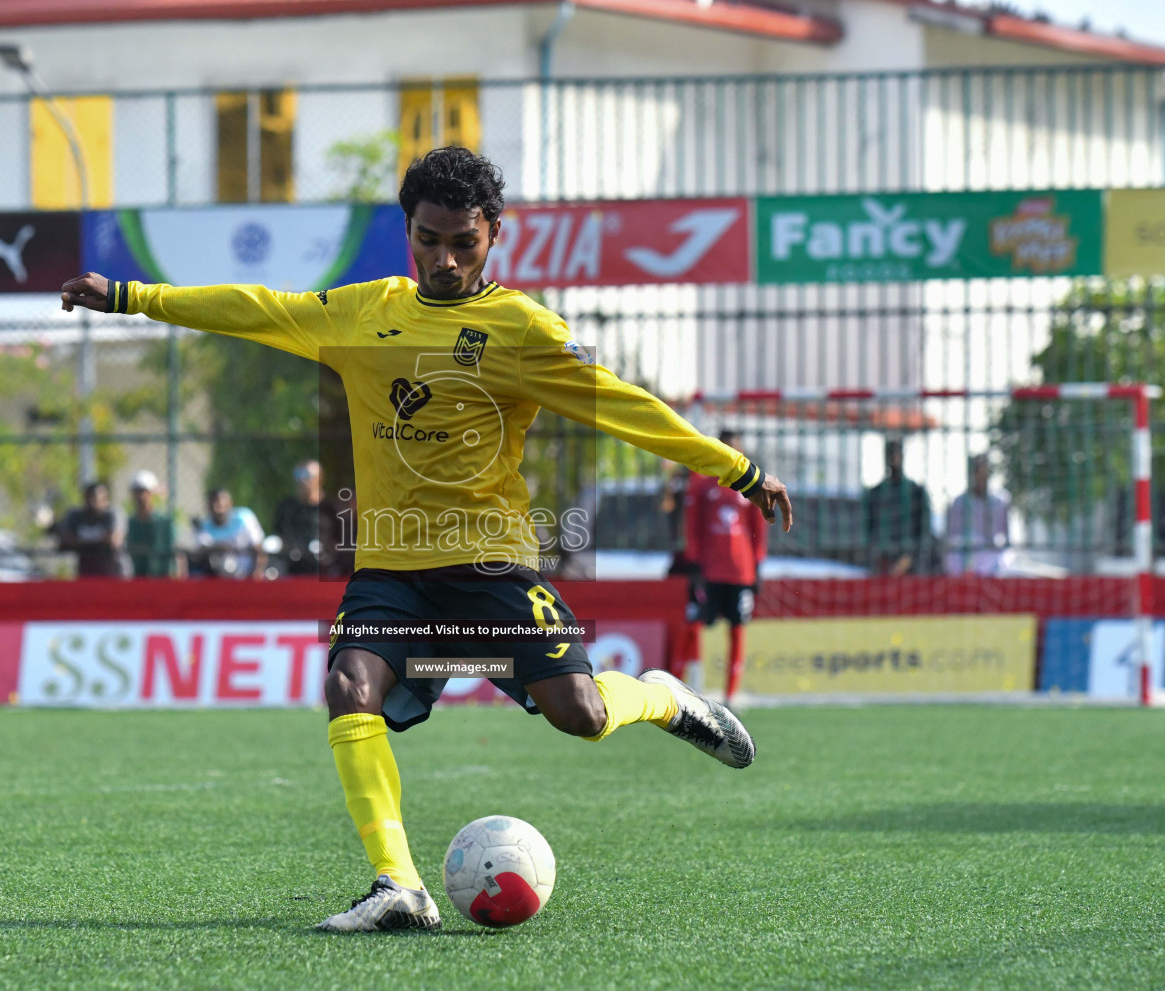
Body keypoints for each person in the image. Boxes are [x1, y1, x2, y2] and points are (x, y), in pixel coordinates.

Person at [60, 146, 792, 932]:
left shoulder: (522, 330)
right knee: (348, 686)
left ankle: (663, 697)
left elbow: (624, 406)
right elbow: (256, 307)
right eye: (427, 240)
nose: (443, 259)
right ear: (408, 232)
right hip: (392, 569)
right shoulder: (364, 311)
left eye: (462, 243)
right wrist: (133, 296)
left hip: (492, 564)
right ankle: (397, 885)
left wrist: (737, 471)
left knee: (580, 712)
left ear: (494, 236)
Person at [684, 430, 769, 702]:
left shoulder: (750, 484)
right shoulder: (701, 483)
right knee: (696, 624)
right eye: (726, 448)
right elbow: (692, 526)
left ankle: (731, 695)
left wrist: (757, 566)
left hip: (740, 572)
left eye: (736, 449)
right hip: (709, 570)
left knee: (736, 628)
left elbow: (759, 529)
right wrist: (694, 562)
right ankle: (694, 687)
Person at [863, 438, 932, 576]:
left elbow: (924, 533)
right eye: (890, 454)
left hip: (912, 566)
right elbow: (868, 532)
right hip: (882, 566)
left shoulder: (916, 492)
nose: (894, 458)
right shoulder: (875, 494)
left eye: (897, 454)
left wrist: (906, 561)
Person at [944, 453, 1012, 576]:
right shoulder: (959, 503)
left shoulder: (1000, 502)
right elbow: (951, 539)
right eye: (977, 473)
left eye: (983, 474)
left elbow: (1006, 541)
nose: (980, 478)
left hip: (993, 558)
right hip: (963, 558)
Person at [191, 487, 266, 580]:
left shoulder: (244, 518)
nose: (216, 508)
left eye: (219, 504)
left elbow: (259, 547)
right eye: (212, 503)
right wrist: (220, 548)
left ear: (230, 504)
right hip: (216, 578)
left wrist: (258, 571)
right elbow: (200, 551)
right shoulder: (203, 526)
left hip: (246, 575)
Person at [54, 481, 125, 577]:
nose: (92, 501)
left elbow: (114, 540)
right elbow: (66, 539)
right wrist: (99, 540)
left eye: (95, 497)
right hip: (86, 570)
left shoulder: (112, 514)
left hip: (112, 571)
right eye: (89, 496)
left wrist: (82, 541)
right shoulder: (75, 515)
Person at [274, 460, 327, 575]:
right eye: (298, 474)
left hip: (325, 571)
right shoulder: (286, 507)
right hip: (291, 569)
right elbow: (280, 537)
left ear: (320, 478)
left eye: (307, 475)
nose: (302, 480)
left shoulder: (332, 509)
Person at [125, 470, 177, 578]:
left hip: (162, 577)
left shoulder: (165, 523)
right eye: (137, 492)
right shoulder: (129, 523)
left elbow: (174, 551)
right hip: (136, 577)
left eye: (144, 491)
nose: (141, 496)